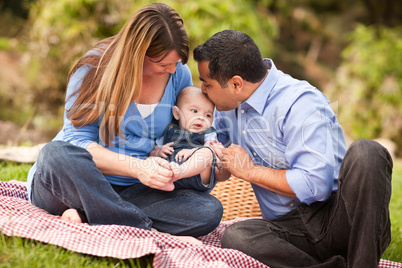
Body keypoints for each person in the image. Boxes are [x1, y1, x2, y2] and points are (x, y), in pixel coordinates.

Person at [193, 29, 392, 267]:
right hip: (289, 230)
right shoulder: (229, 108)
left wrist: (249, 171)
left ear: (236, 83)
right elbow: (208, 138)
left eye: (207, 83)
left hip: (341, 219)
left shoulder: (300, 102)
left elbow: (315, 185)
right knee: (237, 235)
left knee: (367, 151)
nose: (202, 90)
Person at [26, 3, 223, 242]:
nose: (173, 69)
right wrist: (138, 168)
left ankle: (91, 214)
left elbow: (182, 133)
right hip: (79, 180)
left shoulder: (177, 74)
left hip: (135, 190)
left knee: (208, 210)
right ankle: (142, 228)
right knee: (54, 154)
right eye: (162, 64)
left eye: (176, 62)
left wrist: (198, 158)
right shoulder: (92, 69)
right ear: (137, 53)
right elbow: (77, 142)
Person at [150, 85, 218, 191]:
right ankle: (165, 181)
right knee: (150, 160)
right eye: (195, 111)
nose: (201, 117)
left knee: (206, 152)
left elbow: (213, 151)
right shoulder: (169, 129)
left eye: (208, 115)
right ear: (177, 113)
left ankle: (179, 172)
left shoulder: (208, 133)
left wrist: (193, 151)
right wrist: (159, 152)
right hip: (169, 171)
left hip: (197, 176)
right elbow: (153, 151)